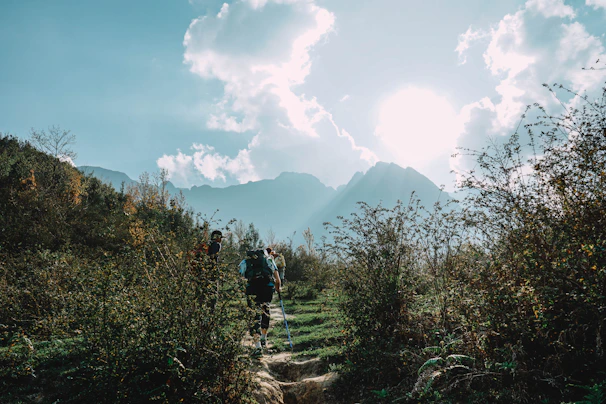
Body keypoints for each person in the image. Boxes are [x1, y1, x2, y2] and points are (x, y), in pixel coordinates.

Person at [239, 249, 281, 354]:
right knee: (265, 310)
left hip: (252, 289)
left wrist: (245, 290)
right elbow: (277, 279)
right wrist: (278, 289)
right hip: (267, 288)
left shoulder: (244, 262)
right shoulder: (269, 260)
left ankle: (257, 346)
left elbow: (241, 279)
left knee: (254, 315)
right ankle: (263, 337)